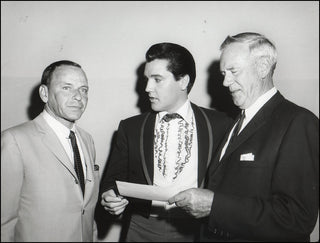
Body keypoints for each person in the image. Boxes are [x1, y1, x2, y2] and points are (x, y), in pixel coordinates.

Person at [168, 32, 319, 241]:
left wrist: (214, 205)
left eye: (233, 71)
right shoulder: (236, 122)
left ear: (263, 67)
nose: (225, 82)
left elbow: (298, 217)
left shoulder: (298, 121)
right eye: (223, 73)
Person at [100, 42, 232, 242]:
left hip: (198, 231)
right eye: (147, 79)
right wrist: (109, 197)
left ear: (183, 81)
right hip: (140, 228)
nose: (147, 88)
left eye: (157, 79)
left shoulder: (221, 124)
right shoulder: (130, 128)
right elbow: (111, 181)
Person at [1, 60, 100, 241]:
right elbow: (4, 222)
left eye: (83, 90)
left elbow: (85, 209)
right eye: (67, 88)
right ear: (44, 93)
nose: (78, 97)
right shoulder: (14, 141)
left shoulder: (87, 140)